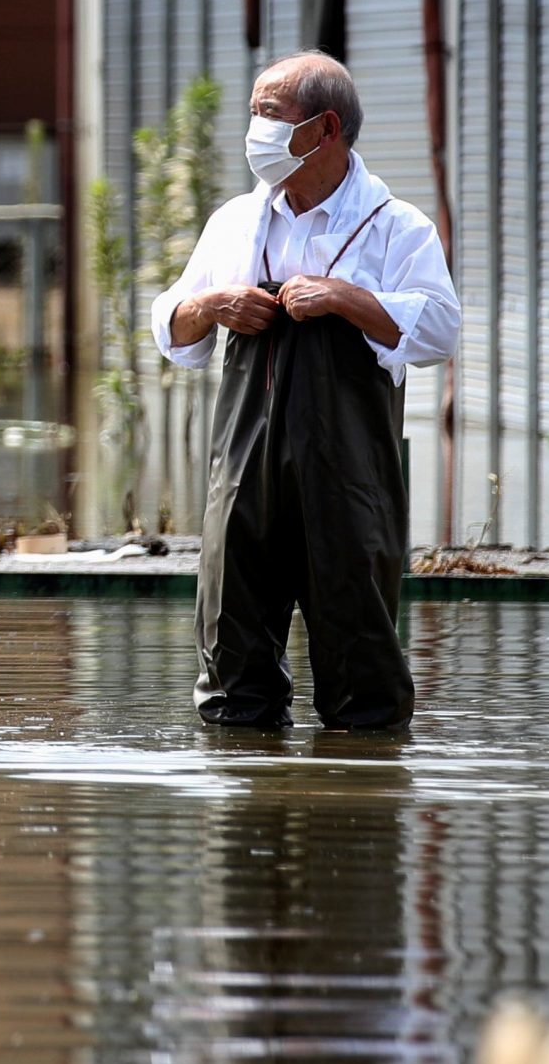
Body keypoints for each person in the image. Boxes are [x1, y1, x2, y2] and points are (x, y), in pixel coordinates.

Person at [151, 51, 461, 729]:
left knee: (365, 689)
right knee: (232, 688)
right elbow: (169, 327)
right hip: (241, 488)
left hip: (347, 486)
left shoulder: (395, 227)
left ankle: (356, 814)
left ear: (325, 128)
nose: (255, 128)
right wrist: (214, 305)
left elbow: (441, 328)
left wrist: (348, 299)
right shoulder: (234, 222)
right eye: (255, 111)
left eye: (270, 113)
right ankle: (243, 811)